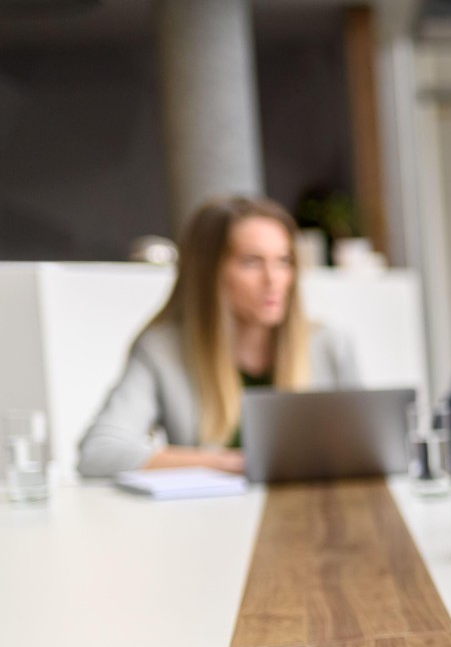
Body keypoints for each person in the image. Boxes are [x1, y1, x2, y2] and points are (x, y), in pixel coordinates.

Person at [77, 196, 359, 478]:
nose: (274, 279)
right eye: (252, 262)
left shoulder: (331, 345)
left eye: (283, 261)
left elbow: (368, 451)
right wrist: (234, 464)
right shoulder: (162, 351)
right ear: (210, 272)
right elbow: (98, 453)